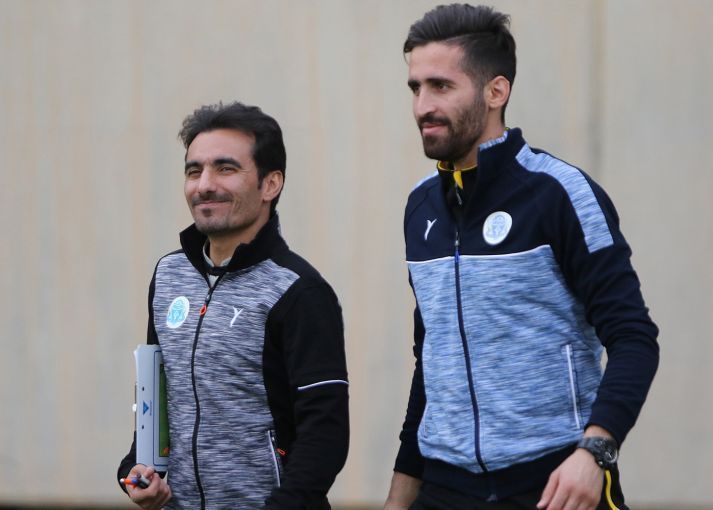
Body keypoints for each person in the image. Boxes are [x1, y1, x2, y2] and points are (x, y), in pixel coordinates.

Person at [384, 5, 659, 510]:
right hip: (445, 487)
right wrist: (400, 497)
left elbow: (633, 337)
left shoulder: (559, 194)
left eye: (441, 86)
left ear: (496, 91)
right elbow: (432, 365)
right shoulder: (420, 206)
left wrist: (595, 452)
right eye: (415, 88)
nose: (423, 106)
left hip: (554, 483)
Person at [117, 102, 349, 509]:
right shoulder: (169, 275)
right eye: (194, 171)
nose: (204, 185)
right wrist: (139, 467)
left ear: (270, 184)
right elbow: (159, 394)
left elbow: (324, 433)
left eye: (225, 168)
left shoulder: (299, 291)